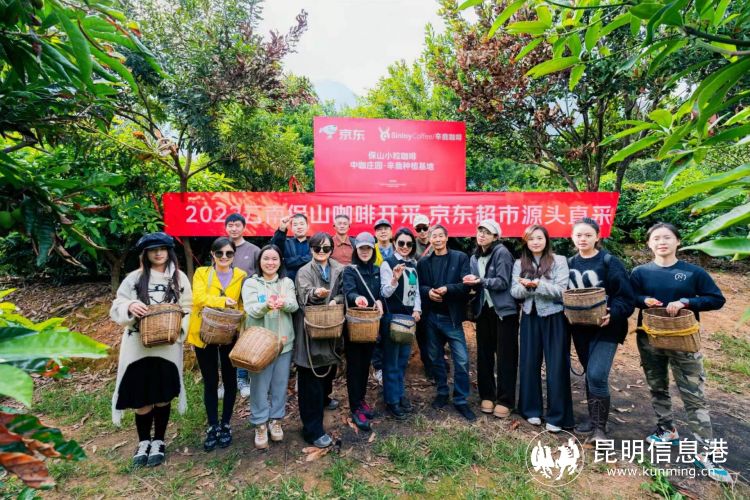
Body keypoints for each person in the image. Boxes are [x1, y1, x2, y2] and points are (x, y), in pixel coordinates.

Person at [630, 223, 731, 483]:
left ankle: (707, 452)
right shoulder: (640, 272)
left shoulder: (692, 272)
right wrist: (643, 300)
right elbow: (630, 296)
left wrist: (687, 302)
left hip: (684, 341)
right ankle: (667, 429)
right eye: (655, 238)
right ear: (649, 244)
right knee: (657, 386)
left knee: (693, 395)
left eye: (667, 237)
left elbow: (716, 299)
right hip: (650, 338)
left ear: (678, 241)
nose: (661, 242)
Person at [110, 232, 192, 467]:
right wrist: (130, 305)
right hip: (138, 346)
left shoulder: (179, 278)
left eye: (162, 249)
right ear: (145, 254)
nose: (158, 253)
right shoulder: (134, 278)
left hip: (167, 347)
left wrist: (178, 331)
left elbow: (188, 306)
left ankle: (159, 441)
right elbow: (117, 304)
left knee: (162, 395)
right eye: (153, 250)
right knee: (141, 398)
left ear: (169, 252)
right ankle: (144, 441)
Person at [567, 217, 635, 444]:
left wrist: (613, 313)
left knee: (597, 374)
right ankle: (593, 418)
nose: (583, 239)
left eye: (588, 235)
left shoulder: (609, 262)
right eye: (578, 235)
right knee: (590, 372)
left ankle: (599, 429)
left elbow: (626, 297)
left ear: (597, 237)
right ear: (572, 237)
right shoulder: (570, 263)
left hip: (607, 328)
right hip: (580, 328)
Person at [510, 225, 574, 432]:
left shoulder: (559, 260)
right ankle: (531, 409)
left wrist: (538, 285)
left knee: (556, 365)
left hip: (555, 317)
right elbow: (514, 291)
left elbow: (562, 290)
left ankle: (557, 416)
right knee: (529, 363)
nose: (535, 242)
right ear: (525, 242)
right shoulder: (519, 263)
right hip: (530, 316)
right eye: (531, 239)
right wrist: (527, 287)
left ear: (546, 240)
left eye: (539, 238)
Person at [187, 237, 247, 452]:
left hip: (229, 335)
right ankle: (213, 425)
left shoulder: (241, 275)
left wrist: (240, 323)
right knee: (210, 381)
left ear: (234, 255)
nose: (224, 257)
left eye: (229, 253)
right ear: (212, 254)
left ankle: (226, 424)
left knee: (230, 381)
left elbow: (242, 304)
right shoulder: (202, 273)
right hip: (204, 334)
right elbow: (198, 298)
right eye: (219, 253)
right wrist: (222, 301)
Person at [242, 245, 299, 449]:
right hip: (258, 345)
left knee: (280, 384)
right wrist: (266, 305)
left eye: (274, 259)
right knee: (259, 385)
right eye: (266, 258)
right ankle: (260, 424)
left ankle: (276, 420)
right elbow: (250, 309)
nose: (270, 262)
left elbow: (294, 305)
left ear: (280, 261)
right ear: (259, 261)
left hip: (283, 342)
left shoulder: (286, 282)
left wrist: (284, 303)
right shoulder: (251, 283)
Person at [417, 224, 475, 421]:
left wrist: (448, 289)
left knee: (462, 359)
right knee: (435, 358)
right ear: (430, 239)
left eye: (441, 236)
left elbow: (466, 286)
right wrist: (428, 292)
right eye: (434, 236)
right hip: (431, 317)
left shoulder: (460, 258)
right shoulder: (424, 262)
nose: (438, 239)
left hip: (452, 318)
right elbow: (419, 286)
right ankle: (442, 391)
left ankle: (461, 399)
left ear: (447, 238)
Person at [294, 232, 345, 448]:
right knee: (310, 381)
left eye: (326, 248)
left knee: (328, 370)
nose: (322, 252)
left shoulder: (339, 269)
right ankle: (312, 430)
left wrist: (335, 300)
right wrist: (317, 294)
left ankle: (325, 399)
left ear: (332, 250)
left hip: (332, 328)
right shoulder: (304, 271)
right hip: (310, 331)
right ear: (311, 250)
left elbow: (344, 292)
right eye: (317, 248)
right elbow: (303, 295)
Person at [464, 219, 519, 419]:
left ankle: (505, 400)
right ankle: (487, 395)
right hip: (484, 310)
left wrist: (480, 281)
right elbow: (476, 285)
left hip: (504, 310)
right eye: (480, 231)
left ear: (496, 236)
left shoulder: (502, 252)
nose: (482, 235)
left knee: (505, 356)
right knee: (484, 354)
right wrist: (471, 284)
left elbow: (503, 282)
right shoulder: (474, 257)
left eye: (487, 232)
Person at [343, 232, 385, 431]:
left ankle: (360, 400)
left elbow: (381, 293)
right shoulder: (350, 270)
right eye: (362, 248)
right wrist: (357, 298)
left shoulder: (377, 270)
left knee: (366, 364)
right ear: (356, 250)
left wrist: (380, 301)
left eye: (368, 248)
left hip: (371, 326)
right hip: (355, 326)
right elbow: (349, 291)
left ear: (373, 249)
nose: (365, 251)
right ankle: (355, 407)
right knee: (355, 367)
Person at [380, 227, 421, 420]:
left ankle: (399, 394)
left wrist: (417, 310)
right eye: (401, 243)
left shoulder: (413, 264)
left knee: (403, 360)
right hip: (392, 317)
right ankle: (392, 401)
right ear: (394, 242)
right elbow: (385, 292)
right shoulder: (387, 263)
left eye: (409, 244)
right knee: (391, 361)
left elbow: (416, 291)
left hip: (409, 319)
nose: (405, 246)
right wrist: (394, 279)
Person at [225, 213, 261, 399]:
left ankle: (243, 379)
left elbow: (260, 275)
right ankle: (226, 381)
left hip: (247, 304)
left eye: (237, 225)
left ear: (244, 227)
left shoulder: (254, 250)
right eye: (230, 225)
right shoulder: (222, 247)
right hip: (225, 305)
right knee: (225, 342)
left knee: (245, 341)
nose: (234, 228)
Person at [371, 218, 394, 384]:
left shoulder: (399, 247)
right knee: (377, 333)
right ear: (375, 233)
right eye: (379, 229)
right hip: (376, 295)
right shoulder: (370, 250)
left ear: (391, 232)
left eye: (386, 228)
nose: (383, 232)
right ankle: (378, 367)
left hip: (395, 296)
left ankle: (392, 366)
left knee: (393, 331)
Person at [411, 214, 434, 379]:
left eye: (424, 227)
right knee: (422, 331)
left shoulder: (437, 241)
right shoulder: (411, 245)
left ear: (429, 226)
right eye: (419, 229)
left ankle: (436, 360)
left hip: (437, 290)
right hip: (419, 290)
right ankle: (428, 364)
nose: (422, 231)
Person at [271, 213, 311, 283]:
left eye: (302, 224)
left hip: (309, 282)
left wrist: (287, 261)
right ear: (291, 228)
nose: (299, 227)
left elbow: (313, 260)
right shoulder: (286, 243)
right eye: (295, 225)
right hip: (287, 283)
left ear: (307, 226)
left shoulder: (313, 243)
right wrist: (282, 229)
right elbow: (274, 249)